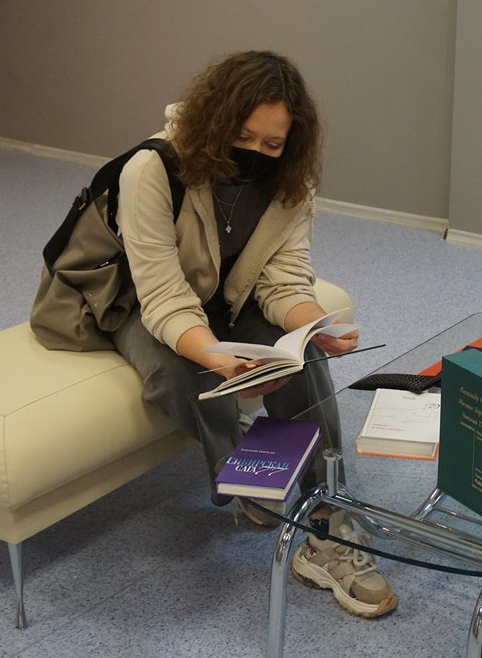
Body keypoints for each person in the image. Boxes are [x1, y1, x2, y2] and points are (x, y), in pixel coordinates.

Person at [112, 50, 397, 618]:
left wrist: (314, 324)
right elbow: (163, 298)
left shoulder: (290, 179)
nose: (256, 153)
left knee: (304, 359)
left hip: (224, 294)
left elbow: (284, 278)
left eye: (272, 144)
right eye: (243, 137)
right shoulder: (150, 170)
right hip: (137, 299)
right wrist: (217, 357)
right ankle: (247, 478)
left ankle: (325, 517)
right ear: (215, 120)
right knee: (183, 373)